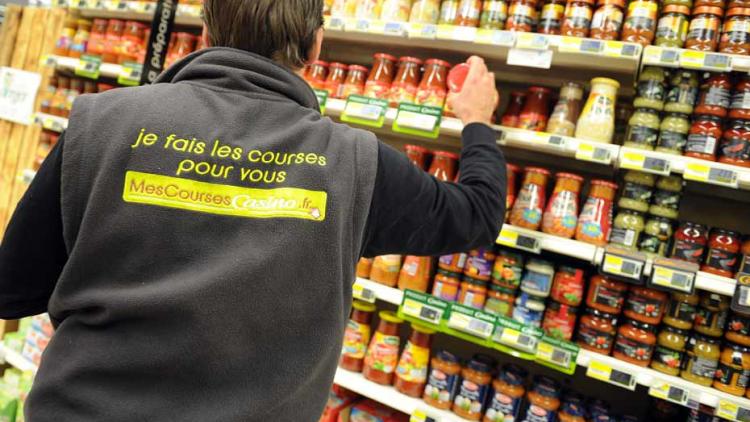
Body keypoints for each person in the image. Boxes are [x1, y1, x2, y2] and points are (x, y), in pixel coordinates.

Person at [0, 0, 505, 420]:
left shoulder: (102, 122)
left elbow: (13, 288)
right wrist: (477, 121)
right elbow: (478, 214)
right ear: (316, 47)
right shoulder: (356, 163)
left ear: (206, 33)